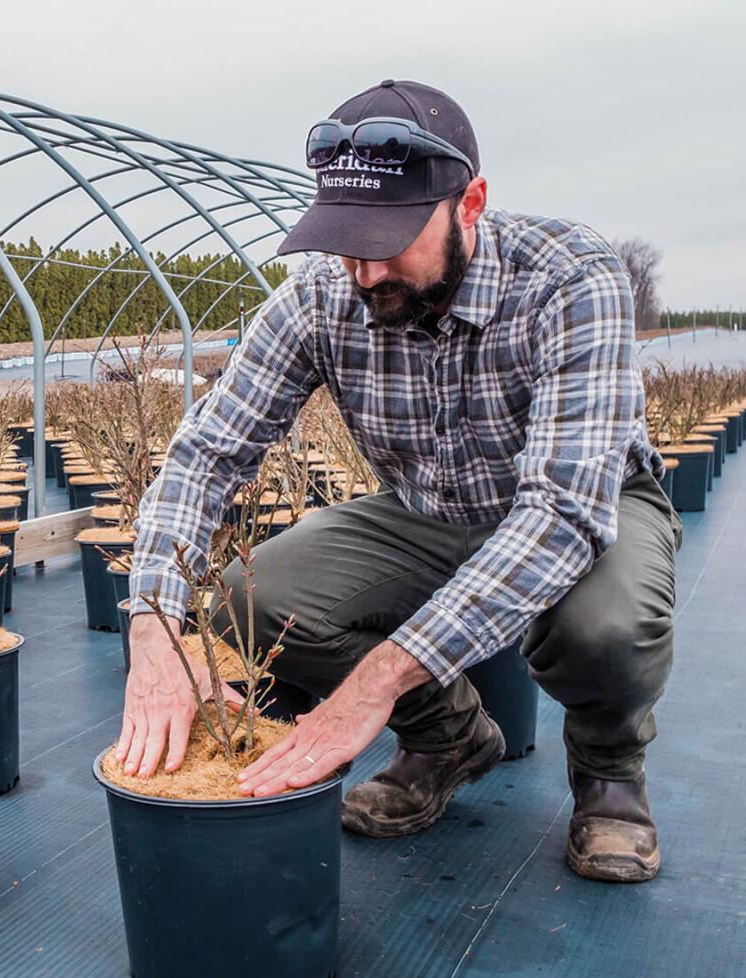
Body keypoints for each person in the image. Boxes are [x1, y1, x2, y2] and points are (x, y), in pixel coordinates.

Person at [116, 79, 679, 883]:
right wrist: (152, 627)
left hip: (589, 507)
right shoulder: (321, 298)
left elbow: (559, 516)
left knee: (605, 627)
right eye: (348, 239)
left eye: (391, 238)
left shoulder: (571, 281)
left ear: (471, 204)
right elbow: (207, 453)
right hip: (426, 514)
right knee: (251, 594)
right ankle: (448, 737)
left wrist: (374, 681)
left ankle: (609, 770)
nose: (366, 268)